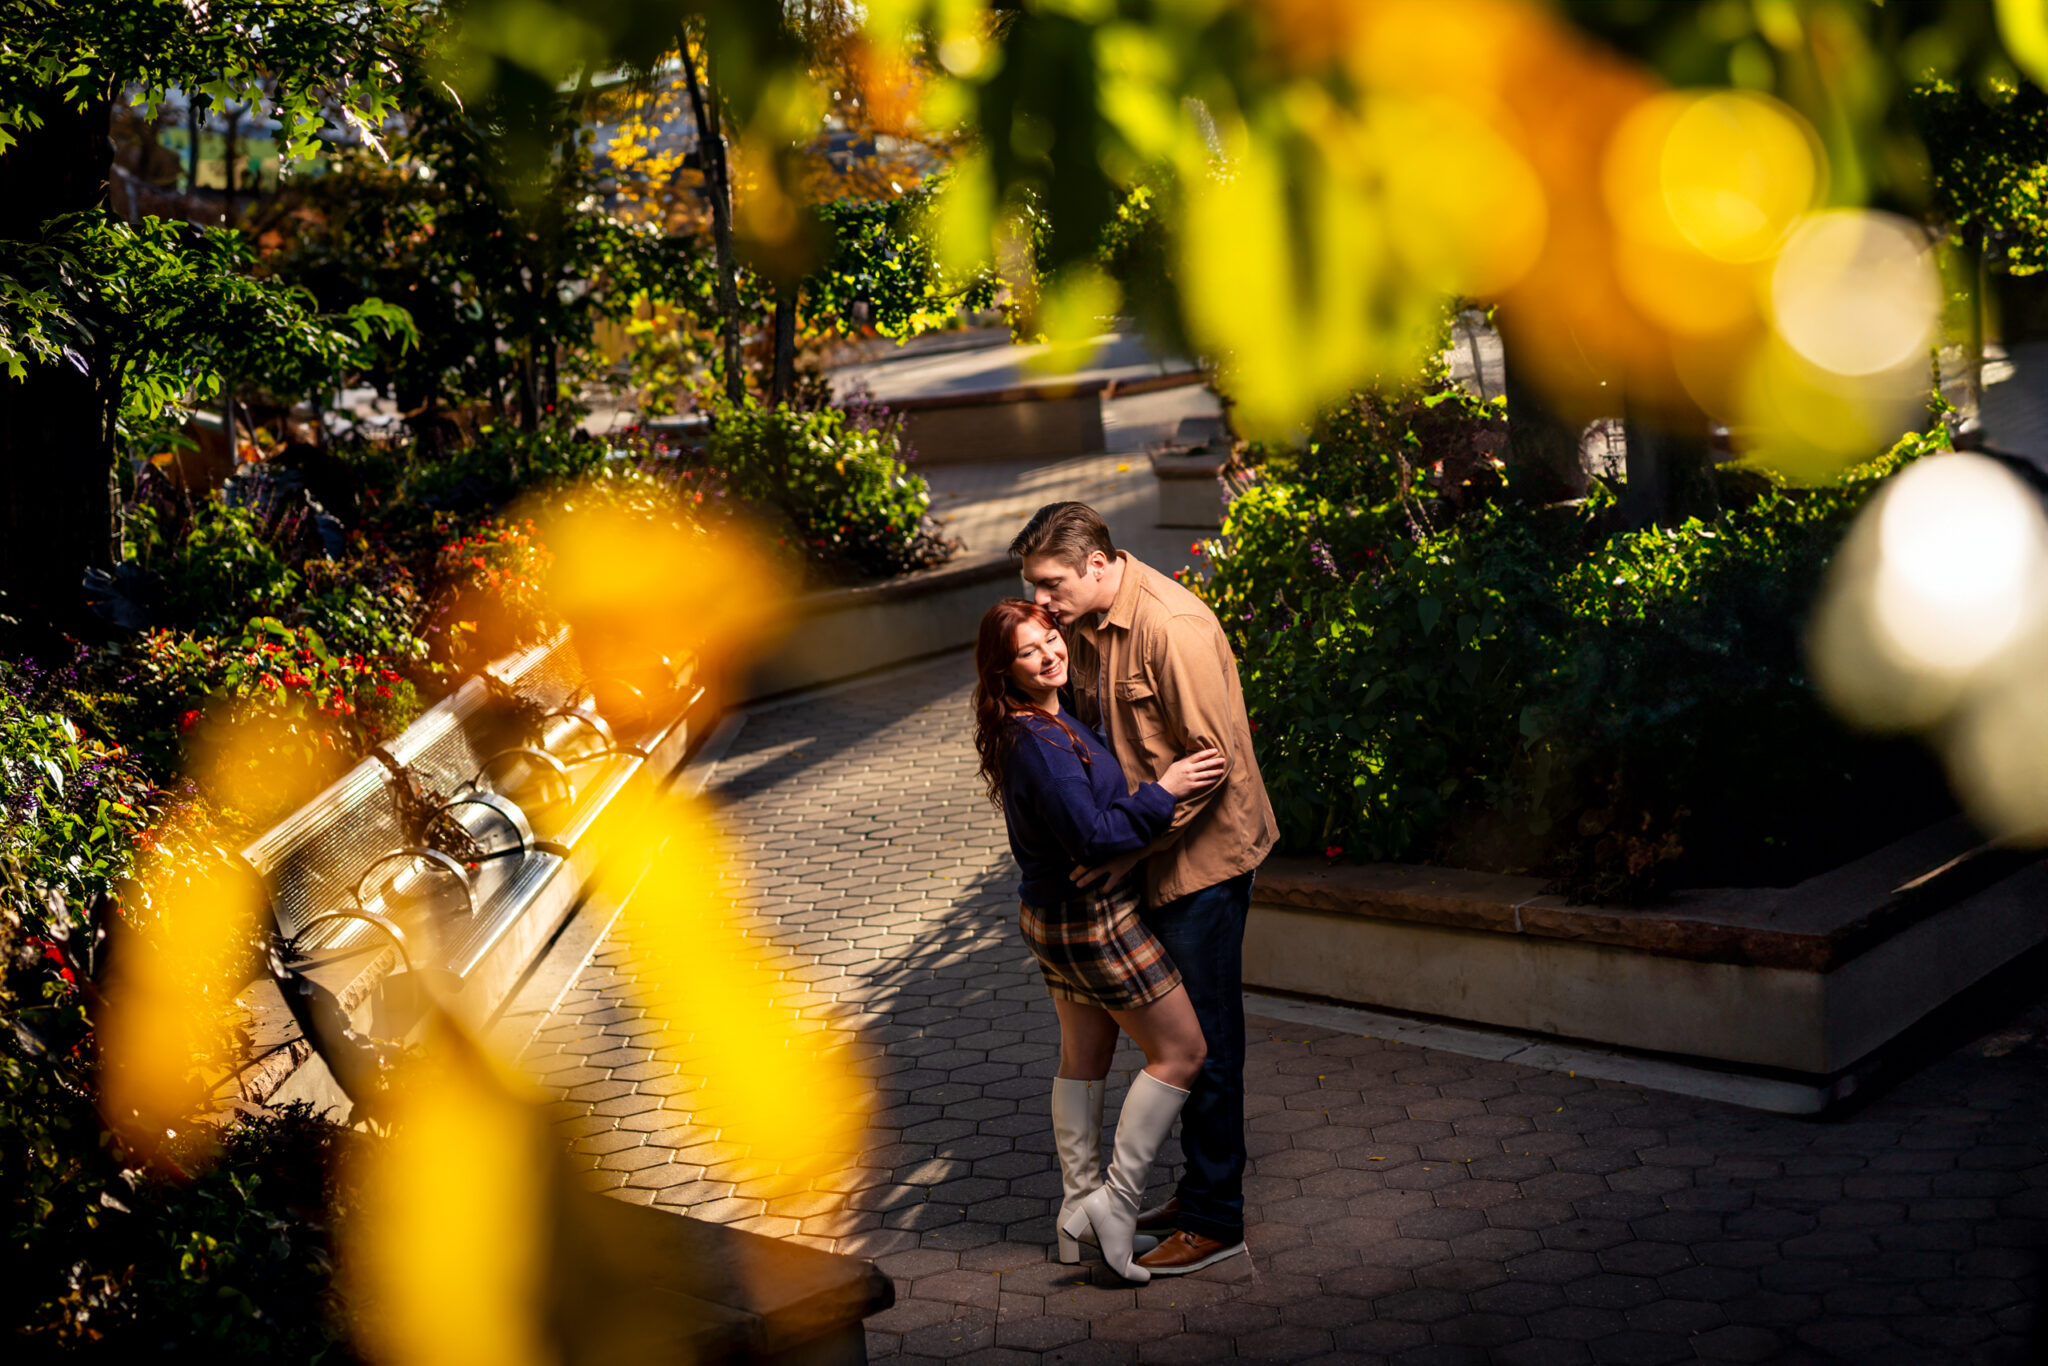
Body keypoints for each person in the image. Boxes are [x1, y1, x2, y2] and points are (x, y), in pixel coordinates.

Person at [1009, 503, 1278, 1277]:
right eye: (1033, 585)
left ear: (1098, 563)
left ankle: (1217, 1223)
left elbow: (1212, 762)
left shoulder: (1171, 628)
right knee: (1184, 1038)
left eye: (1051, 583)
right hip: (1152, 860)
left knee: (1208, 1046)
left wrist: (1128, 855)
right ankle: (1198, 1196)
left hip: (1201, 865)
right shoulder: (1088, 625)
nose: (1042, 601)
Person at [972, 598, 1228, 1282]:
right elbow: (1092, 837)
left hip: (1054, 916)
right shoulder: (1039, 743)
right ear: (1005, 670)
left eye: (1050, 635)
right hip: (1092, 919)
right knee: (1183, 1052)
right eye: (1029, 650)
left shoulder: (1050, 722)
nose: (1051, 651)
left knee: (1084, 1056)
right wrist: (1165, 790)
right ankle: (1114, 1203)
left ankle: (1077, 1205)